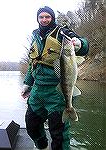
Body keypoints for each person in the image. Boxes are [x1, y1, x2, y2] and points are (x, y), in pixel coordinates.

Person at [21, 6, 89, 150]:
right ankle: (42, 146)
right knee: (31, 124)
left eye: (48, 17)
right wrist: (27, 83)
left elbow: (83, 45)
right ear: (37, 19)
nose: (44, 20)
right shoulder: (35, 36)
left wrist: (79, 43)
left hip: (57, 92)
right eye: (41, 17)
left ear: (52, 18)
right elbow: (32, 63)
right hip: (37, 91)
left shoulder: (62, 33)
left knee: (59, 133)